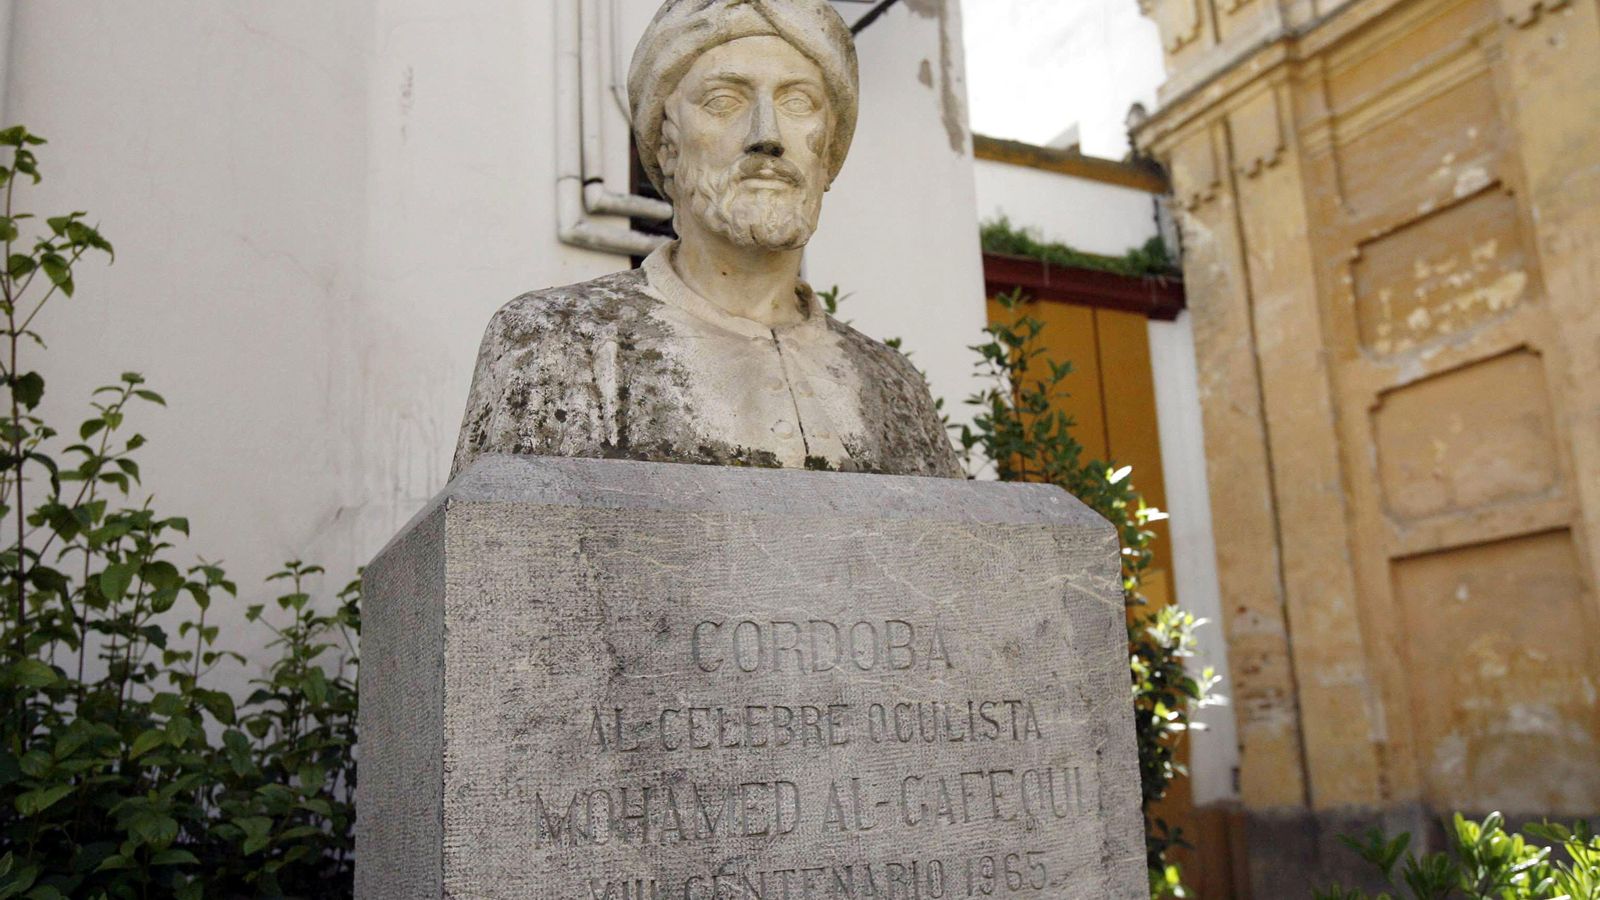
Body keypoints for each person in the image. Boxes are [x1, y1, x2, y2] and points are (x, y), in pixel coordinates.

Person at [451, 0, 962, 480]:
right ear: (668, 145)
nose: (768, 134)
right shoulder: (556, 343)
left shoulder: (896, 386)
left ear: (827, 151)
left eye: (798, 101)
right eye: (724, 100)